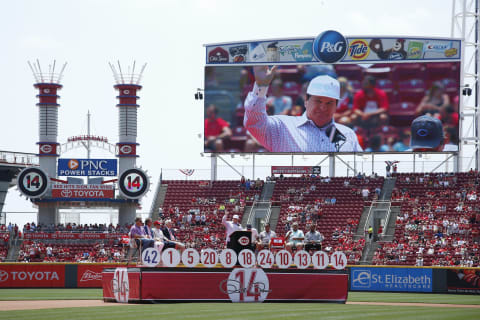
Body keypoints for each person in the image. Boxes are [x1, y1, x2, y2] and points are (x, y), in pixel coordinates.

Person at [243, 66, 362, 152]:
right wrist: (261, 87)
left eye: (329, 103)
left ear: (336, 106)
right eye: (318, 101)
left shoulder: (347, 134)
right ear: (306, 101)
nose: (323, 107)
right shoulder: (284, 126)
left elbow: (361, 168)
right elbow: (254, 122)